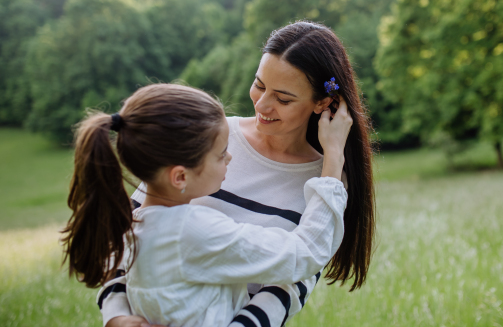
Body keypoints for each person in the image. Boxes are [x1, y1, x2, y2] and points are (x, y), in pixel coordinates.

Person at [100, 21, 376, 327]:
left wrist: (334, 156)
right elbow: (129, 233)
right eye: (259, 84)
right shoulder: (208, 137)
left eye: (283, 99)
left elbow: (296, 276)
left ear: (323, 102)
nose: (262, 103)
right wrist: (117, 316)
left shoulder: (327, 181)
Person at [62, 83, 353, 327]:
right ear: (179, 176)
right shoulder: (193, 231)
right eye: (220, 154)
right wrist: (332, 166)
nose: (229, 158)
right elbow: (301, 255)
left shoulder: (135, 224)